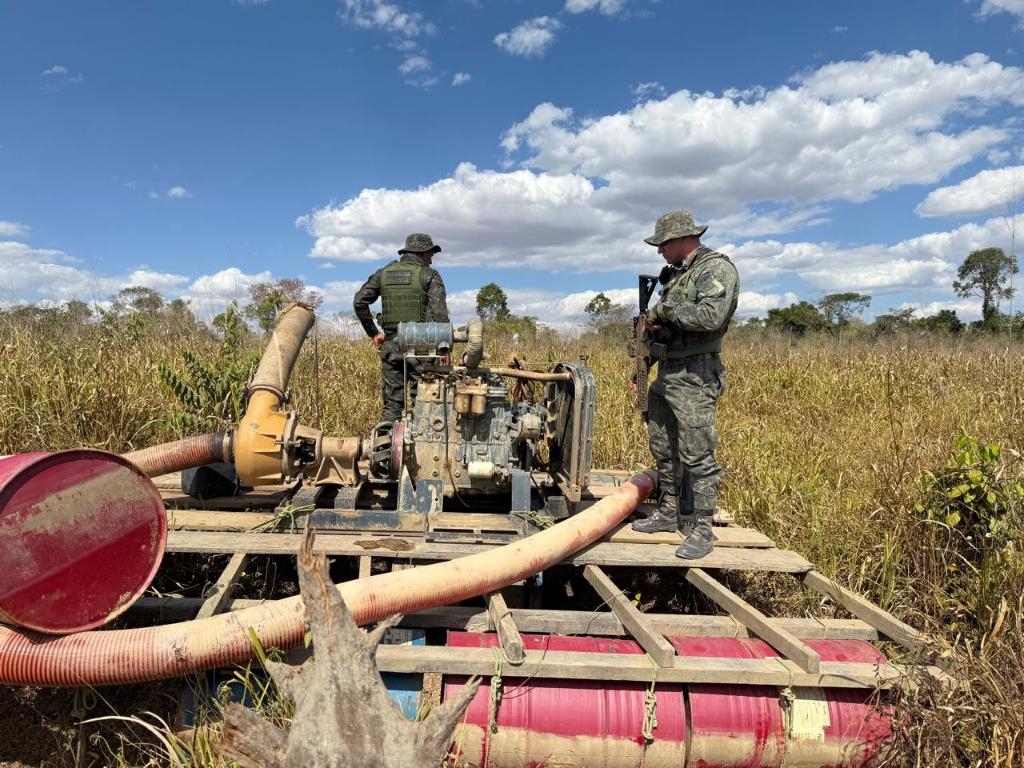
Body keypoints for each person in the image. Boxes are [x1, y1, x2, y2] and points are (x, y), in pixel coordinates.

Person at [631, 210, 739, 560]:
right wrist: (643, 363)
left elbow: (710, 317)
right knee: (662, 445)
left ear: (682, 239)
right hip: (668, 372)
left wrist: (663, 313)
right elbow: (671, 326)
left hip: (695, 373)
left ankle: (702, 528)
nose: (660, 250)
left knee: (697, 452)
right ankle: (670, 511)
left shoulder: (715, 269)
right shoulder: (677, 275)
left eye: (663, 244)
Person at [353, 233, 450, 423]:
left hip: (391, 347)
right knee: (426, 405)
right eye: (430, 254)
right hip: (422, 349)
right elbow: (440, 315)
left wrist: (374, 333)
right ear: (422, 253)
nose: (431, 259)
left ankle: (386, 447)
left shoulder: (383, 273)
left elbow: (359, 302)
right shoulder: (430, 275)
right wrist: (444, 348)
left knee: (392, 407)